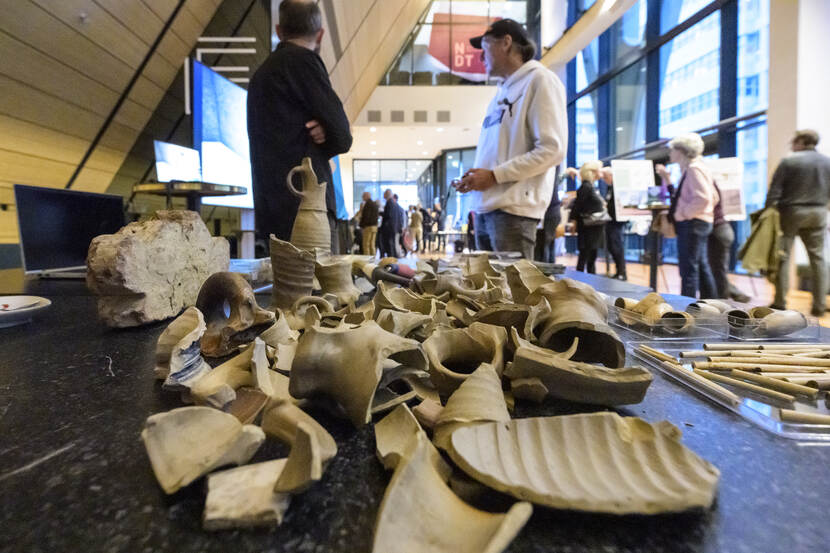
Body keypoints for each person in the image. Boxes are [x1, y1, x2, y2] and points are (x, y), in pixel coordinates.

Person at [453, 19, 567, 259]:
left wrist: (495, 176)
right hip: (487, 209)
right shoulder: (501, 93)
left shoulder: (540, 80)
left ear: (506, 42)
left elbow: (552, 149)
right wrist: (476, 178)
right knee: (488, 292)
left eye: (484, 48)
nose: (480, 58)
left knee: (513, 294)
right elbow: (500, 151)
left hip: (514, 212)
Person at [247, 0, 352, 252]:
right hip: (308, 207)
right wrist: (328, 133)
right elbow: (343, 137)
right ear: (320, 34)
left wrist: (325, 130)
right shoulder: (304, 62)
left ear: (278, 30)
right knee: (321, 289)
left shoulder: (260, 76)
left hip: (271, 209)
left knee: (285, 289)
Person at [766, 129, 830, 315]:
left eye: (793, 141)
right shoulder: (827, 162)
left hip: (791, 213)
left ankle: (780, 302)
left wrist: (768, 213)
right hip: (818, 212)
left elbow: (774, 191)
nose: (792, 145)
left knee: (783, 257)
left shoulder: (789, 161)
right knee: (817, 258)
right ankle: (819, 305)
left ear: (801, 141)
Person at [656, 132, 718, 299]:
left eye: (673, 149)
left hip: (693, 223)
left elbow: (704, 198)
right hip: (698, 223)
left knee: (688, 269)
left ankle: (687, 308)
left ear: (682, 150)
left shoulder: (694, 169)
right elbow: (713, 197)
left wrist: (682, 214)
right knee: (700, 266)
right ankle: (710, 305)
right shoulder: (696, 167)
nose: (670, 153)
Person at [708, 182, 751, 302]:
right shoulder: (712, 185)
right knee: (717, 269)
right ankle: (732, 295)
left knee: (718, 270)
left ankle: (724, 301)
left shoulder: (707, 186)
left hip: (719, 231)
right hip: (723, 230)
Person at [567, 161, 607, 274]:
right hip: (588, 228)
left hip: (593, 228)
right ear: (593, 172)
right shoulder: (586, 187)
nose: (601, 172)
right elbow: (577, 206)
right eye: (599, 170)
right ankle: (582, 281)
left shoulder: (591, 186)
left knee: (590, 257)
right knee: (586, 256)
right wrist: (573, 222)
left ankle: (590, 281)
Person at [599, 167, 627, 280]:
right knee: (612, 246)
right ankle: (619, 271)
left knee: (616, 247)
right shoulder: (610, 188)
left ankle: (621, 272)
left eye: (606, 177)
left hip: (616, 222)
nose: (605, 180)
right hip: (610, 221)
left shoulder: (617, 188)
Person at [379, 189, 401, 258]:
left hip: (389, 229)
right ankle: (392, 259)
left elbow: (388, 215)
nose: (383, 195)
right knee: (392, 244)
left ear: (387, 194)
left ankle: (391, 260)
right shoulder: (394, 203)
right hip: (393, 228)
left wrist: (380, 213)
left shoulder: (389, 203)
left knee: (389, 245)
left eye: (384, 194)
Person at [358, 191, 379, 256]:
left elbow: (366, 216)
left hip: (368, 227)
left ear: (367, 196)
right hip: (375, 227)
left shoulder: (368, 204)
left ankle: (367, 261)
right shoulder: (374, 204)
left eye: (363, 196)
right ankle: (373, 260)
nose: (362, 197)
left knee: (366, 244)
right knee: (372, 244)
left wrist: (362, 225)